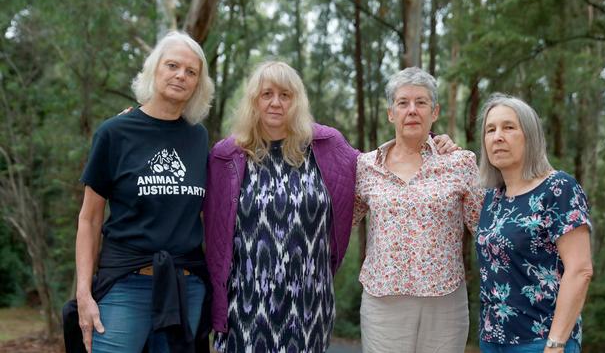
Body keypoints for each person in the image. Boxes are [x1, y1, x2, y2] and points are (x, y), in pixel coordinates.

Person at [202, 61, 459, 352]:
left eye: (285, 95)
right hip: (246, 305)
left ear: (297, 100)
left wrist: (431, 141)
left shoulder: (325, 145)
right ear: (253, 101)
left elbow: (381, 166)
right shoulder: (226, 157)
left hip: (309, 306)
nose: (276, 102)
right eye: (267, 94)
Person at [67, 31, 214, 353]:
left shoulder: (199, 138)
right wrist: (84, 294)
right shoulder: (114, 133)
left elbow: (209, 213)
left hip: (184, 286)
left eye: (191, 72)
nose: (181, 75)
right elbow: (89, 220)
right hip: (126, 283)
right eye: (172, 65)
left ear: (199, 84)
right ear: (154, 70)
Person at [353, 67, 484, 353]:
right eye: (403, 103)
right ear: (391, 113)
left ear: (434, 112)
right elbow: (341, 221)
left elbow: (486, 231)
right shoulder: (366, 166)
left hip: (445, 302)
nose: (412, 110)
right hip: (383, 302)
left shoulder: (460, 163)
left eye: (421, 102)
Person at [475, 93, 593, 353]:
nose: (497, 137)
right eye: (490, 130)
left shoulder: (559, 189)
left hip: (541, 341)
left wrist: (556, 343)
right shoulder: (492, 198)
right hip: (492, 340)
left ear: (530, 136)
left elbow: (580, 270)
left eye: (509, 127)